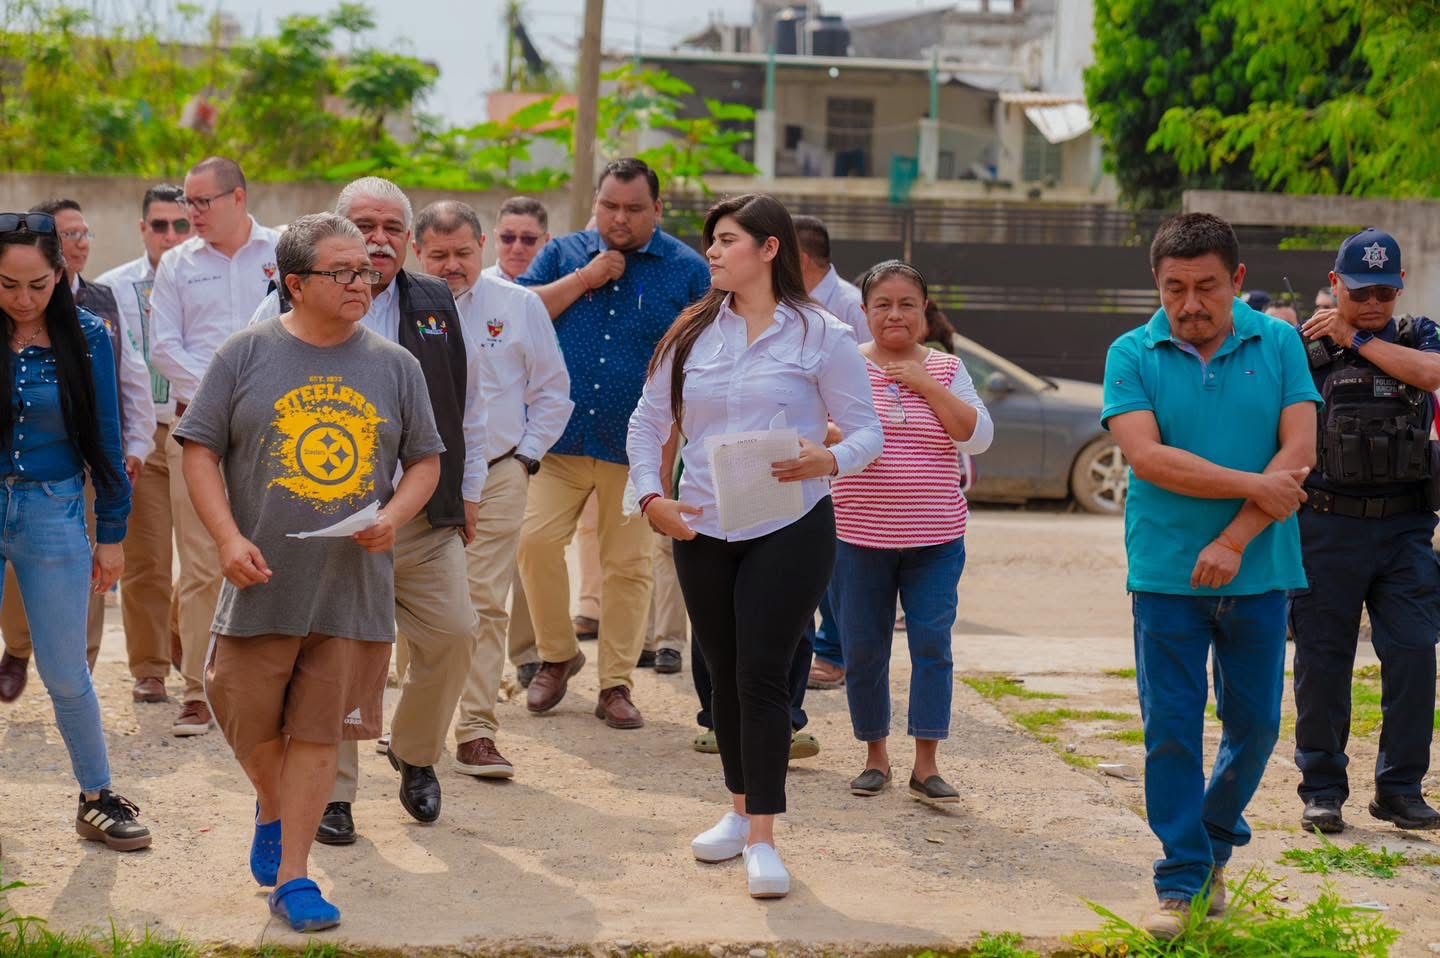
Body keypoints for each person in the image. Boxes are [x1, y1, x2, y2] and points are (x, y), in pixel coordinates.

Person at [176, 212, 443, 932]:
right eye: (344, 271)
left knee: (321, 735)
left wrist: (398, 513)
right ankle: (272, 800)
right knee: (233, 701)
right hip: (261, 577)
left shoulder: (396, 365)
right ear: (295, 283)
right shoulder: (244, 354)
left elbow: (425, 459)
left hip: (351, 587)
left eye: (366, 269)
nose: (363, 280)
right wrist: (227, 537)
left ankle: (295, 877)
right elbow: (197, 447)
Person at [628, 193, 882, 899]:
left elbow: (868, 433)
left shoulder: (824, 335)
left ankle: (765, 837)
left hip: (791, 526)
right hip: (703, 527)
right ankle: (739, 812)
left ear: (769, 249)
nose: (711, 251)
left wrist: (825, 460)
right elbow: (648, 424)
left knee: (763, 674)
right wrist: (651, 498)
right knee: (722, 674)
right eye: (710, 240)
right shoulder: (690, 332)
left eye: (727, 239)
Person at [1102, 213, 1321, 938]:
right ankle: (1182, 880)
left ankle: (1215, 838)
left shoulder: (1282, 341)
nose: (1190, 305)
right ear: (1156, 286)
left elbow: (1298, 451)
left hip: (1259, 570)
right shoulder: (1130, 353)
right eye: (1174, 289)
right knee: (1170, 728)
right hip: (1165, 573)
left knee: (1256, 725)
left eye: (1206, 288)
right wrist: (1256, 487)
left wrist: (1235, 535)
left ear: (1237, 282)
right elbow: (1150, 459)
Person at [252, 177, 486, 843]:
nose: (379, 240)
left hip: (419, 513)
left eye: (392, 228)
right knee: (339, 654)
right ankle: (334, 793)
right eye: (364, 226)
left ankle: (413, 751)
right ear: (337, 233)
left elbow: (468, 400)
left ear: (410, 241)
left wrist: (467, 494)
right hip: (326, 517)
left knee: (452, 633)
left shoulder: (438, 302)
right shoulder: (283, 301)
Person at [516, 158, 710, 729]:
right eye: (609, 206)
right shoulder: (563, 254)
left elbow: (704, 355)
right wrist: (585, 279)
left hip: (638, 447)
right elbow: (525, 317)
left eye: (632, 208)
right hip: (560, 439)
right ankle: (558, 654)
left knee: (628, 565)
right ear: (594, 203)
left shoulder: (687, 270)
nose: (618, 218)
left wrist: (677, 444)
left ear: (657, 210)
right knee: (532, 542)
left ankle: (616, 683)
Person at [0, 211, 150, 850]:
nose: (23, 300)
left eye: (38, 285)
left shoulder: (89, 334)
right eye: (7, 285)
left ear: (60, 276)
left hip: (53, 510)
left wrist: (111, 532)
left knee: (66, 670)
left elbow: (107, 440)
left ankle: (97, 798)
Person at [412, 199, 572, 780]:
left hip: (501, 468)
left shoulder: (519, 306)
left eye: (462, 253)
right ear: (416, 251)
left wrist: (527, 457)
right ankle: (415, 727)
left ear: (481, 246)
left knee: (484, 600)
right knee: (415, 601)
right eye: (438, 255)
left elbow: (554, 390)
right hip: (412, 477)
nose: (452, 266)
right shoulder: (395, 305)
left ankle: (476, 730)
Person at [1291, 228, 1440, 834]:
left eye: (1383, 290)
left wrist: (1356, 337)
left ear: (1399, 287)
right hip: (1327, 525)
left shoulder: (1417, 335)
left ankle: (1399, 787)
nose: (1372, 301)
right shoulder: (1302, 346)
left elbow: (1432, 375)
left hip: (1405, 528)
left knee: (1412, 655)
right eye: (1358, 291)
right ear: (1335, 284)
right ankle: (1322, 788)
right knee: (1323, 663)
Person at [829, 260, 993, 804]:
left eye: (906, 304)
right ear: (865, 312)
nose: (894, 314)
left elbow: (976, 436)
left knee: (932, 644)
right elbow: (816, 428)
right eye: (882, 304)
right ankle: (875, 757)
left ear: (924, 311)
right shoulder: (843, 366)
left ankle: (927, 765)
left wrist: (924, 383)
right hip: (856, 537)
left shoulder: (947, 368)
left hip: (936, 538)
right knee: (864, 648)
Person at [150, 156, 281, 736]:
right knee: (203, 561)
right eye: (187, 201)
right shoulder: (177, 264)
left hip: (274, 431)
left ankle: (269, 677)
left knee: (270, 552)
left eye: (202, 202)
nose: (191, 214)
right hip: (198, 431)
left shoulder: (284, 252)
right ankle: (199, 690)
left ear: (238, 198)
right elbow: (164, 347)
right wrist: (222, 396)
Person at [96, 185, 190, 704]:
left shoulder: (207, 280)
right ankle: (150, 667)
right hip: (146, 435)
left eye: (181, 225)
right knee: (149, 559)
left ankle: (182, 632)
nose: (171, 235)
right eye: (161, 225)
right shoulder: (112, 289)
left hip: (204, 432)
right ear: (142, 229)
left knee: (204, 562)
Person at [792, 216, 864, 690]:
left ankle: (835, 654)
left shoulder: (851, 307)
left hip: (846, 451)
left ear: (800, 259)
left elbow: (865, 386)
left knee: (838, 560)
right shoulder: (790, 306)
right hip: (810, 452)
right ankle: (826, 650)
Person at [483, 196, 552, 284]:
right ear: (496, 238)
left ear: (546, 241)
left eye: (528, 239)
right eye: (507, 238)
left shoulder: (562, 290)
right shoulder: (475, 287)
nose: (517, 249)